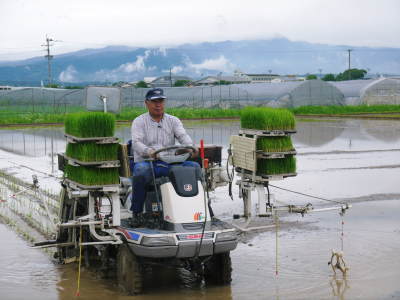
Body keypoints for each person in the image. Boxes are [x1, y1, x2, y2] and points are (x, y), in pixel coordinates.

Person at [130, 88, 200, 225]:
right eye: (154, 101)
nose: (158, 105)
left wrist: (190, 147)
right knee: (140, 171)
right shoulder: (139, 121)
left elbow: (183, 137)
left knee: (195, 168)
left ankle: (202, 209)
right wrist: (149, 151)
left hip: (171, 163)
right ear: (146, 103)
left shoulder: (173, 121)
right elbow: (136, 143)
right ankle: (137, 212)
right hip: (150, 163)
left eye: (161, 101)